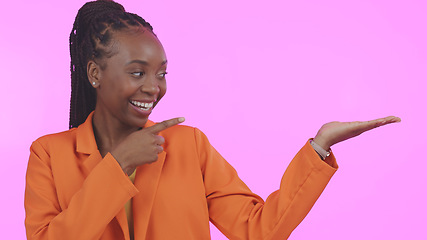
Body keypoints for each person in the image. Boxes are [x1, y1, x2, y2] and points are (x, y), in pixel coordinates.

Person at [24, 0, 401, 239]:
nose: (153, 88)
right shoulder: (49, 155)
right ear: (94, 73)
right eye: (138, 73)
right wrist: (120, 164)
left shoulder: (189, 146)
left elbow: (258, 231)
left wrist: (319, 146)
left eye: (162, 74)